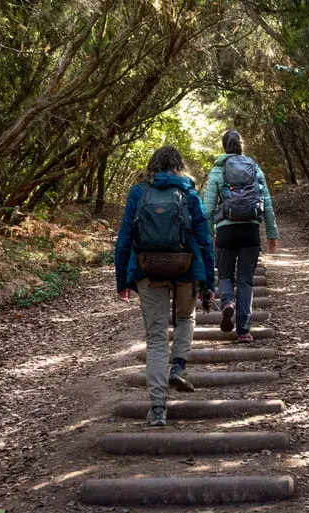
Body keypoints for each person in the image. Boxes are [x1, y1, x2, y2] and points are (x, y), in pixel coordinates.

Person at [115, 145, 216, 427]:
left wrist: (123, 280)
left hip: (148, 269)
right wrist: (208, 281)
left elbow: (124, 238)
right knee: (186, 317)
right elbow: (205, 239)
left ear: (153, 166)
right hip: (185, 268)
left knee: (157, 338)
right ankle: (179, 366)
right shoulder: (188, 192)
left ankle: (158, 408)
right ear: (178, 166)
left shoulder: (139, 193)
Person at [203, 129, 279, 342]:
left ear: (223, 146)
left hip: (226, 232)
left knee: (226, 275)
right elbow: (267, 202)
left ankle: (228, 303)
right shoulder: (254, 168)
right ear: (241, 146)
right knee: (246, 281)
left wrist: (207, 239)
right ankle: (243, 331)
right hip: (250, 231)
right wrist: (272, 233)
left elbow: (208, 209)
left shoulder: (218, 171)